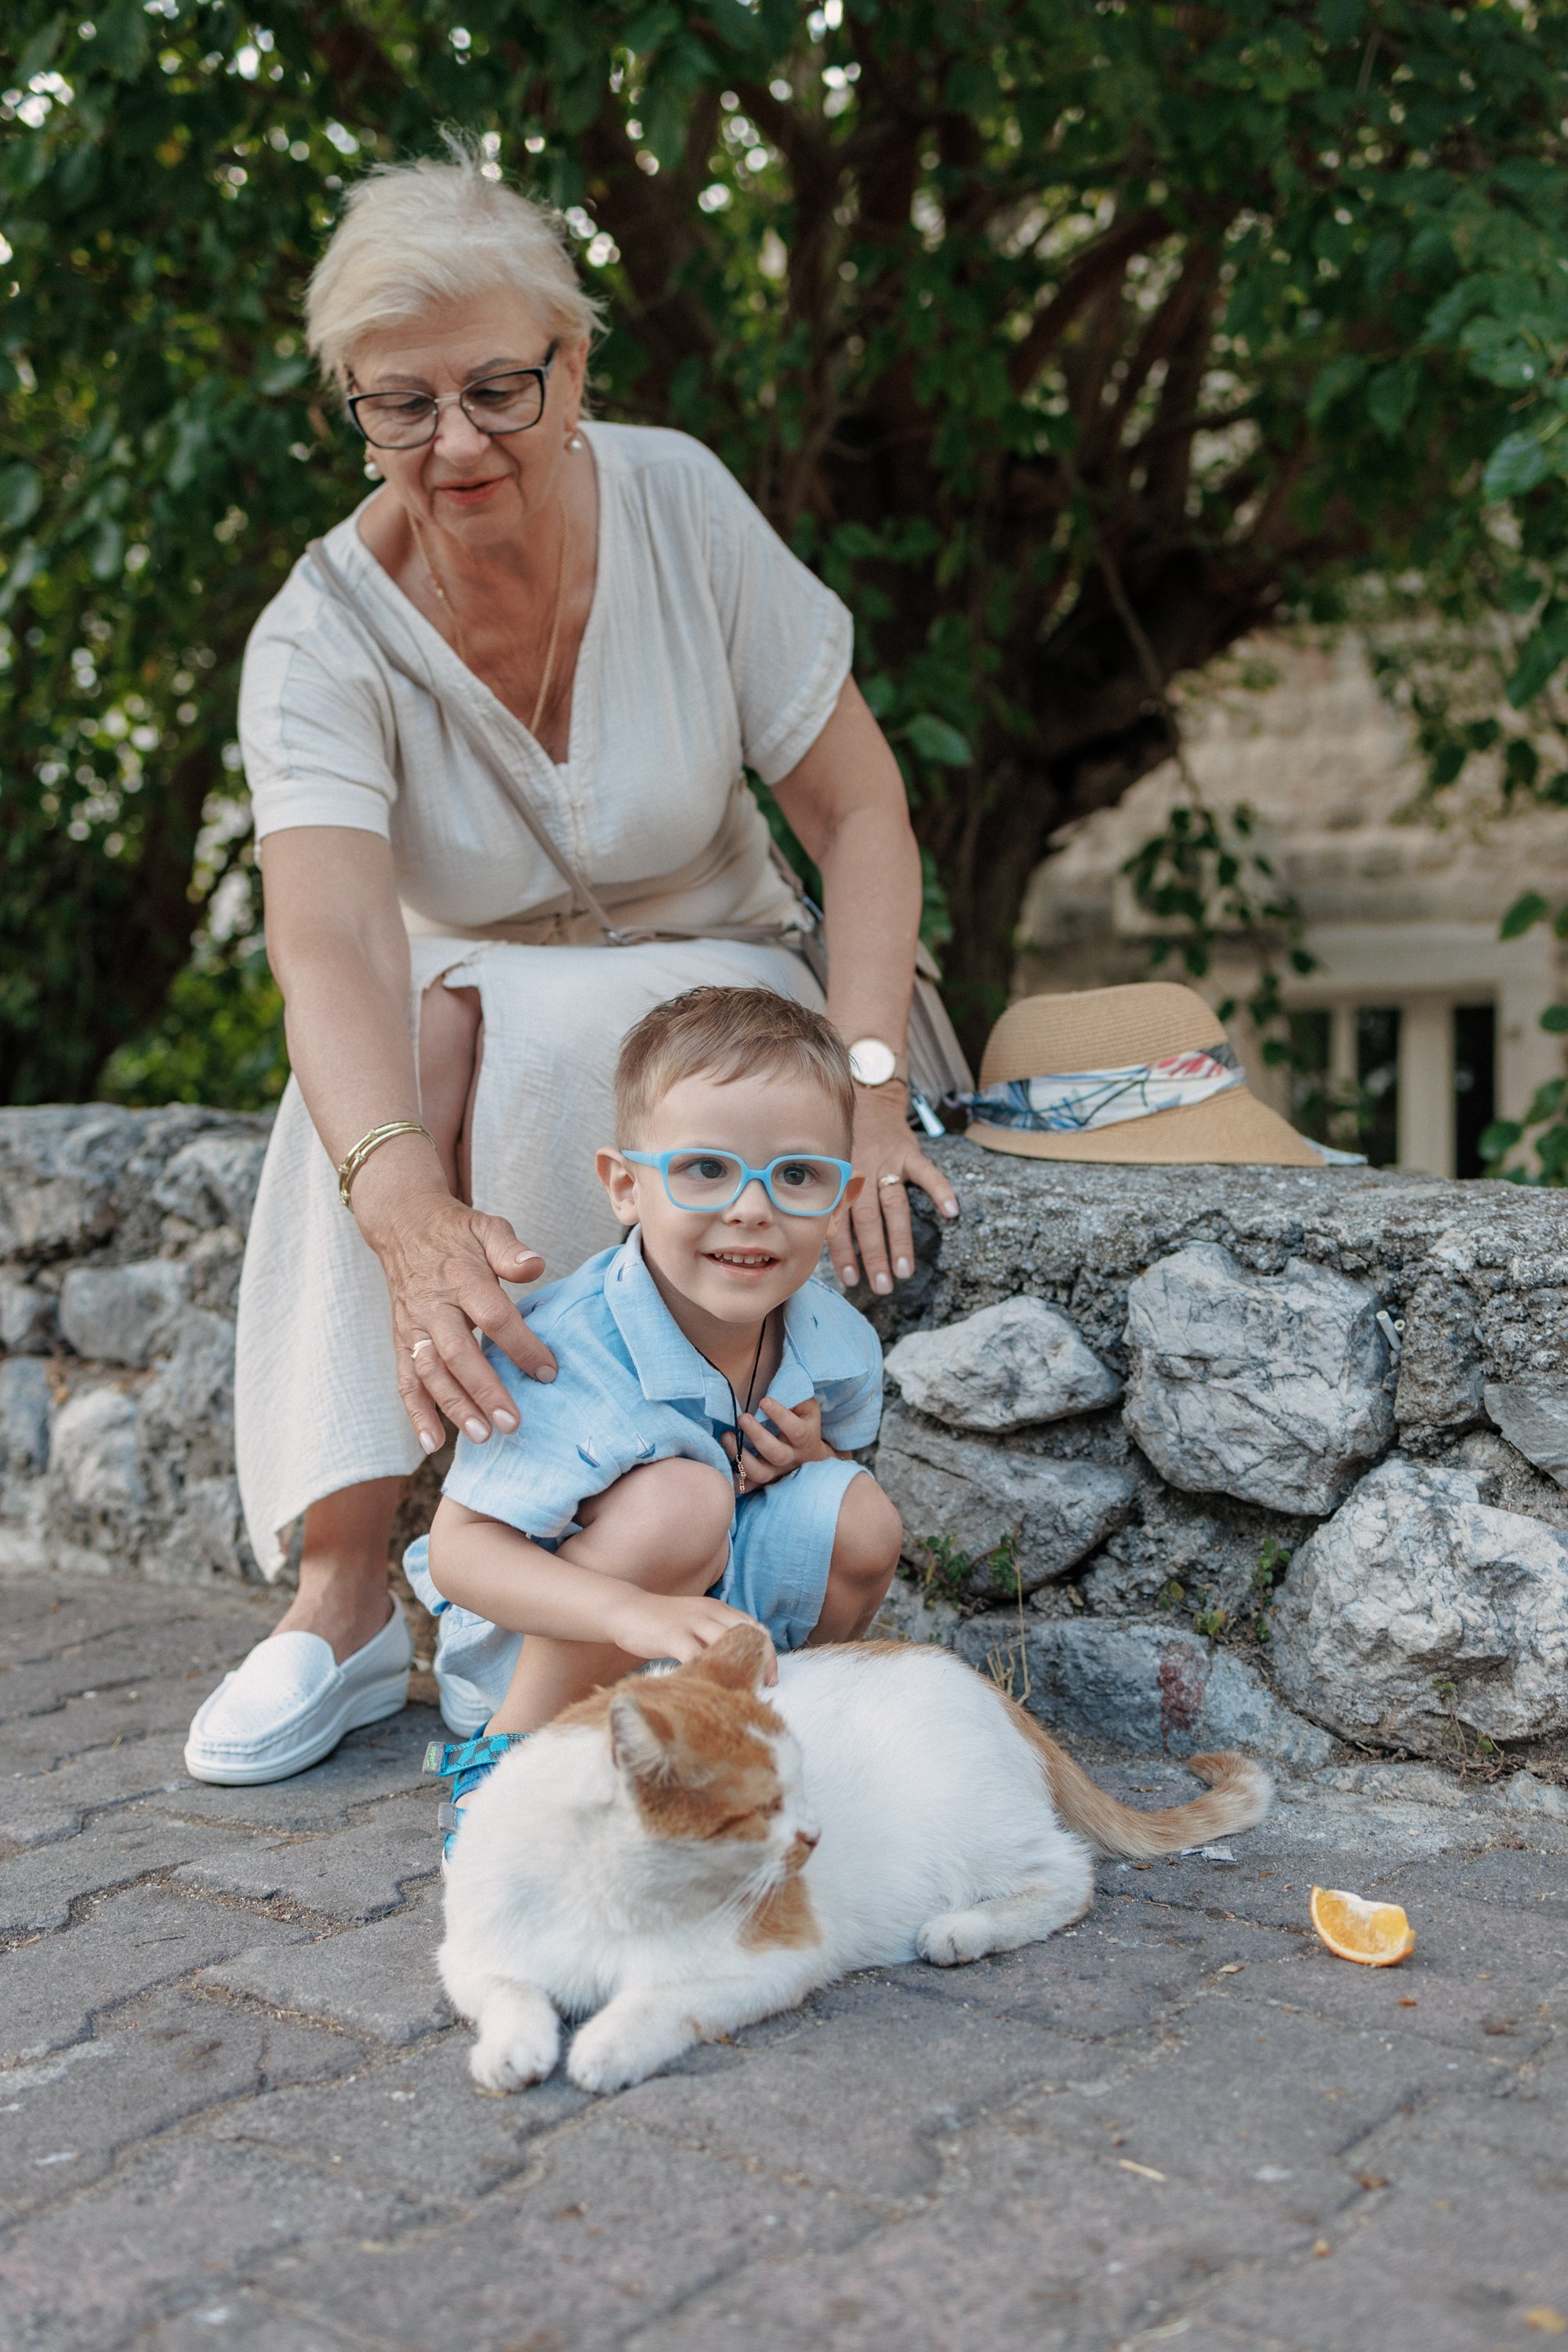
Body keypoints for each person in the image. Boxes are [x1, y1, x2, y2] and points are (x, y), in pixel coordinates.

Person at [183, 143, 955, 1788]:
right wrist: (397, 1204)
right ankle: (343, 1594)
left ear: (573, 365)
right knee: (370, 1080)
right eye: (400, 405)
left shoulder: (678, 502)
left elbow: (864, 813)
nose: (451, 443)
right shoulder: (318, 633)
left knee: (528, 1024)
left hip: (750, 996)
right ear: (353, 403)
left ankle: (550, 1589)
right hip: (476, 1000)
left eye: (494, 389)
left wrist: (876, 1083)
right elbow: (321, 933)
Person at [415, 987, 903, 1856]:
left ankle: (762, 1728)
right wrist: (623, 1613)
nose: (750, 1208)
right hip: (553, 1630)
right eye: (705, 1170)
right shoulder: (563, 1352)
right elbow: (460, 1554)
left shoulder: (835, 1341)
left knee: (858, 1511)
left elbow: (838, 1477)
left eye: (795, 1176)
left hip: (704, 1618)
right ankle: (509, 1759)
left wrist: (813, 1454)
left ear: (838, 1196)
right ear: (625, 1186)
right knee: (681, 1499)